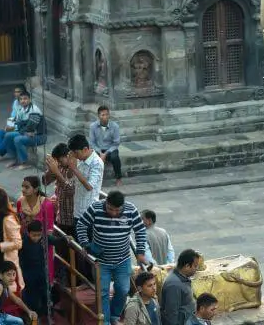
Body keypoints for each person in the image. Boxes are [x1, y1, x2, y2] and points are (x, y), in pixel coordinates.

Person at [76, 190, 148, 324]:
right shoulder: (95, 208)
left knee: (123, 289)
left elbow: (140, 231)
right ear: (106, 203)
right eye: (110, 209)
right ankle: (106, 321)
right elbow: (81, 224)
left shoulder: (131, 210)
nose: (113, 213)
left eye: (117, 210)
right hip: (101, 261)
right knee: (102, 291)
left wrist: (140, 252)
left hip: (123, 259)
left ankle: (115, 315)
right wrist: (86, 244)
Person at [15, 176, 54, 280]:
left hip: (42, 247)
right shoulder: (20, 202)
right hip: (26, 245)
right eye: (22, 186)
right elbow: (19, 224)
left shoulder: (46, 204)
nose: (23, 189)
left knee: (43, 277)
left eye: (27, 187)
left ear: (36, 189)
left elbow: (49, 230)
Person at [0, 261, 36, 325]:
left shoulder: (5, 286)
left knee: (19, 322)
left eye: (14, 274)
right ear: (0, 276)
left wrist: (29, 311)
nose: (12, 278)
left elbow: (17, 300)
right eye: (8, 274)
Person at [67, 133, 104, 220]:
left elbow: (89, 186)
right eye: (73, 153)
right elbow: (69, 177)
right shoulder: (79, 159)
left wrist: (75, 168)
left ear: (85, 149)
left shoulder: (96, 163)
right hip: (77, 209)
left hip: (89, 212)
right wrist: (70, 165)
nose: (75, 156)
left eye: (76, 153)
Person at [42, 143, 76, 234]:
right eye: (58, 162)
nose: (59, 164)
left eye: (61, 161)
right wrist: (50, 169)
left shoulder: (75, 169)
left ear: (68, 156)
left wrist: (57, 172)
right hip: (60, 215)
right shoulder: (60, 167)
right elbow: (45, 182)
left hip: (72, 217)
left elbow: (70, 191)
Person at [161, 249, 200, 325]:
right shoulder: (174, 285)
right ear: (187, 266)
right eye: (195, 266)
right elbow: (171, 314)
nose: (196, 269)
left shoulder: (182, 277)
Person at [19, 220, 48, 320]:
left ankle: (44, 312)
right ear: (28, 232)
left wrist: (65, 238)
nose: (36, 238)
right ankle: (32, 315)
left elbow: (55, 240)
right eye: (34, 235)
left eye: (39, 235)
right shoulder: (23, 242)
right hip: (28, 273)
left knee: (44, 291)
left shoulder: (43, 239)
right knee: (32, 295)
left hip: (41, 271)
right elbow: (20, 258)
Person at [9, 92, 45, 170]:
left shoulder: (34, 110)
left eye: (25, 99)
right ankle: (15, 160)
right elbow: (18, 124)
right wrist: (23, 131)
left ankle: (24, 163)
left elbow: (30, 127)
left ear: (29, 99)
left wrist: (23, 130)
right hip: (27, 133)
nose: (23, 101)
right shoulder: (21, 109)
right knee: (8, 136)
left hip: (39, 136)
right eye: (21, 99)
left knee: (18, 139)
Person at [89, 105, 123, 186]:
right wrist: (100, 153)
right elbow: (92, 143)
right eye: (103, 115)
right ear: (99, 116)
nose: (105, 117)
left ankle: (118, 178)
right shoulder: (93, 126)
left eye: (107, 114)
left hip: (110, 149)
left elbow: (116, 143)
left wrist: (106, 153)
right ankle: (94, 178)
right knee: (91, 158)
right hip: (98, 149)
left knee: (115, 158)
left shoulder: (115, 126)